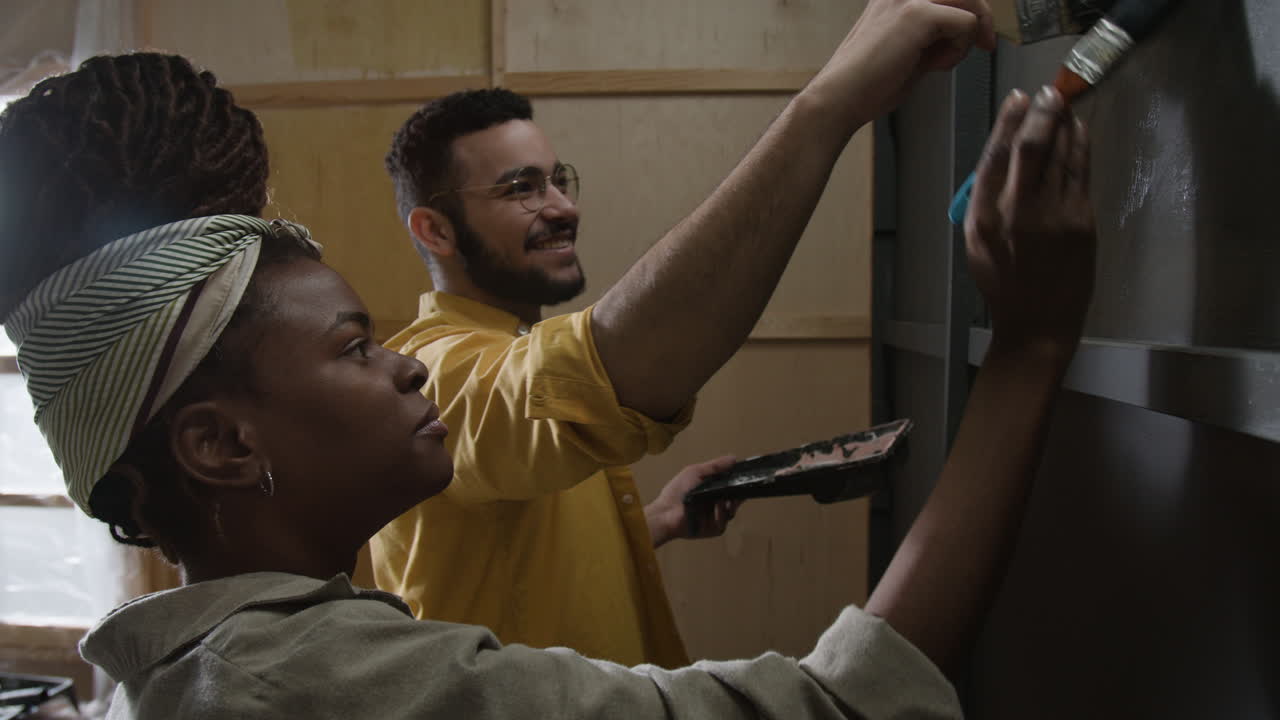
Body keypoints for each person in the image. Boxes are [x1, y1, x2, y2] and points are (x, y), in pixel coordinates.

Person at [0, 41, 1094, 720]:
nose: (402, 368)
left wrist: (643, 528)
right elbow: (836, 706)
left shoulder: (250, 644)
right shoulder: (316, 685)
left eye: (557, 179)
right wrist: (1030, 339)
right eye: (350, 347)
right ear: (223, 447)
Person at [376, 0, 1000, 666]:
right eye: (520, 188)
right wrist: (825, 109)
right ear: (434, 230)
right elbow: (594, 379)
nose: (561, 206)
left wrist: (652, 524)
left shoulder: (506, 353)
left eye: (558, 180)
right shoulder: (429, 378)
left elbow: (510, 553)